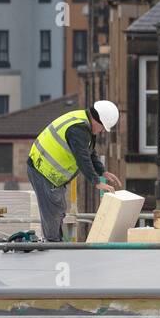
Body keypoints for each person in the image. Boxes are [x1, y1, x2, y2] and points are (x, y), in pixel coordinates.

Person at [26, 100, 122, 241]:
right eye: (102, 127)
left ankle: (54, 242)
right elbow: (82, 158)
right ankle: (52, 245)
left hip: (50, 173)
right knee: (53, 211)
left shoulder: (83, 122)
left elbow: (89, 150)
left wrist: (102, 172)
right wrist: (96, 182)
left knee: (58, 210)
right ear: (97, 120)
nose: (102, 131)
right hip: (43, 170)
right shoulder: (78, 129)